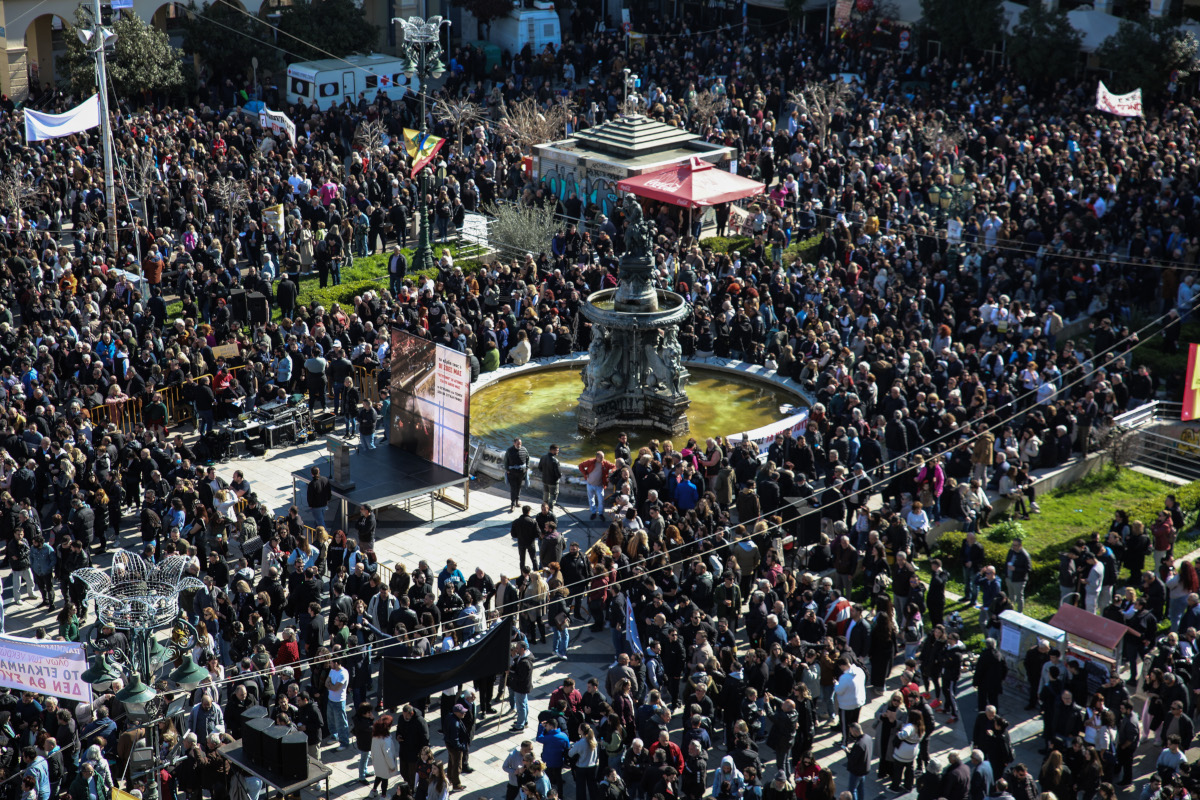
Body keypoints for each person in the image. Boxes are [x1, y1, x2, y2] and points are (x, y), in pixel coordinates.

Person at [370, 715, 399, 799]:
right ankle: (383, 795)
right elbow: (388, 755)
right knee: (385, 779)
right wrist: (392, 766)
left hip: (377, 762)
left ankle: (374, 791)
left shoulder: (375, 736)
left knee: (378, 776)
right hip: (385, 764)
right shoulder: (386, 740)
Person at [504, 438, 530, 512]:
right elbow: (505, 461)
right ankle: (512, 504)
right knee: (513, 488)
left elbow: (528, 458)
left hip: (521, 473)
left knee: (519, 487)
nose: (519, 445)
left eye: (520, 443)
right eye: (518, 443)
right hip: (512, 473)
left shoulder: (524, 449)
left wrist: (527, 467)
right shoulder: (509, 450)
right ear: (514, 443)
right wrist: (507, 470)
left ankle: (517, 501)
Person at [540, 444, 562, 510]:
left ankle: (544, 510)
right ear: (552, 450)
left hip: (544, 480)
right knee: (553, 497)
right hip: (553, 482)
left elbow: (540, 468)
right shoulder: (555, 461)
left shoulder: (543, 457)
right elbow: (559, 474)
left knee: (545, 496)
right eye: (557, 450)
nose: (558, 452)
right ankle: (550, 511)